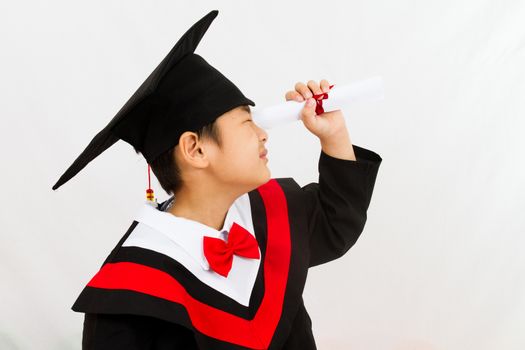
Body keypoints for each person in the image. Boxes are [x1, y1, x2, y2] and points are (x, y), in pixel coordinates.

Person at [53, 10, 382, 350]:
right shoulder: (128, 293)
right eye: (245, 122)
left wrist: (334, 135)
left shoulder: (268, 213)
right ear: (195, 149)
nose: (263, 135)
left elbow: (336, 223)